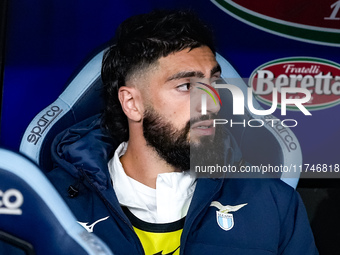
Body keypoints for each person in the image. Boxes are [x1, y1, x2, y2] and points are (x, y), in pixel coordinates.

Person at [47, 10, 318, 255]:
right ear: (132, 103)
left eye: (214, 82)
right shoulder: (47, 205)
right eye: (186, 86)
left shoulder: (274, 204)